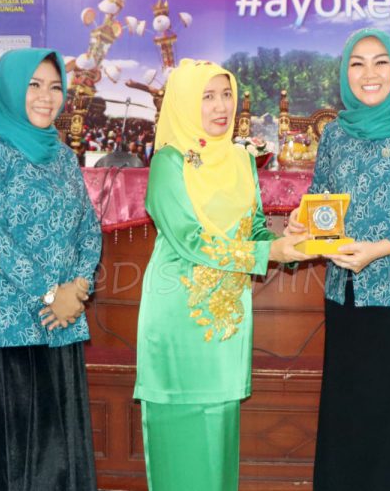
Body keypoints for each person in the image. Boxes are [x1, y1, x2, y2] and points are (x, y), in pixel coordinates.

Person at [288, 28, 390, 491]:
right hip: (346, 295)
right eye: (357, 63)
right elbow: (321, 196)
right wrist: (301, 224)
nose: (369, 73)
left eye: (380, 62)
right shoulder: (336, 133)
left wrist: (377, 250)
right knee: (351, 417)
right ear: (345, 72)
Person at [134, 59, 311, 491]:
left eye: (227, 94)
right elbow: (189, 241)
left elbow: (252, 229)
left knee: (219, 437)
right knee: (180, 436)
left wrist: (289, 242)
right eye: (207, 96)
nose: (221, 106)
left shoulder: (240, 159)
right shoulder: (169, 162)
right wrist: (269, 252)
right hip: (178, 315)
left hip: (226, 321)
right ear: (183, 103)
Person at [0, 48, 102, 491]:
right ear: (10, 88)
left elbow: (89, 228)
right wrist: (50, 293)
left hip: (63, 317)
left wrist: (77, 288)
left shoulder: (62, 155)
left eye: (55, 87)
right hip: (9, 319)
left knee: (62, 445)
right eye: (33, 85)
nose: (46, 97)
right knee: (24, 450)